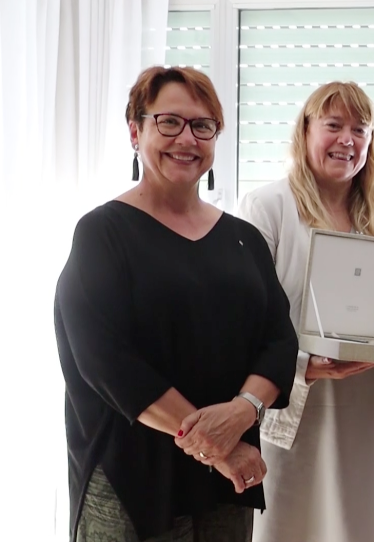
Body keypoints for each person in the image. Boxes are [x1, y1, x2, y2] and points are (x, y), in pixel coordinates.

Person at [54, 66, 298, 542]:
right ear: (135, 131)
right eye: (169, 122)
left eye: (202, 125)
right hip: (131, 476)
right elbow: (105, 361)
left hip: (226, 481)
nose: (186, 138)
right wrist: (216, 446)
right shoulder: (101, 234)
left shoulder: (244, 239)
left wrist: (244, 411)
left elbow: (279, 341)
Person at [237, 81, 374, 542]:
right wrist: (305, 365)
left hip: (358, 397)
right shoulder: (267, 207)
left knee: (352, 522)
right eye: (334, 125)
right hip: (290, 392)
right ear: (305, 130)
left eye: (360, 129)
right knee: (287, 522)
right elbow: (244, 318)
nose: (348, 139)